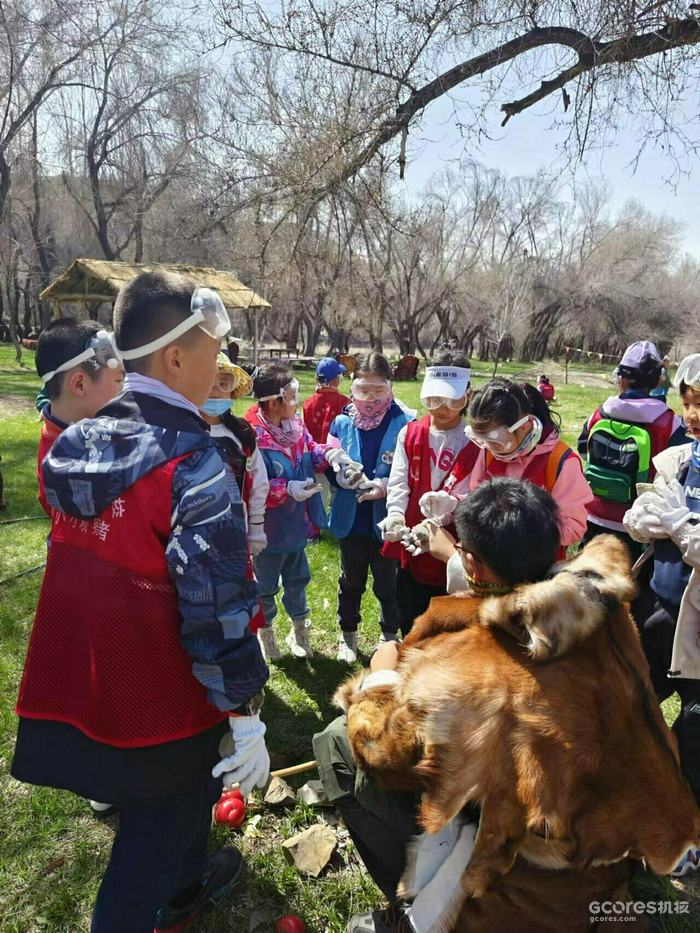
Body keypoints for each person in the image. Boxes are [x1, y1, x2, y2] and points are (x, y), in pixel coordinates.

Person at [316, 481, 700, 933]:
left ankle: (418, 909)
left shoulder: (479, 662)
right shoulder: (597, 609)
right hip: (606, 846)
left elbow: (385, 752)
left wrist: (379, 680)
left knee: (337, 744)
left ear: (472, 562)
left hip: (521, 888)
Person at [12, 272, 270, 933]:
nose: (221, 364)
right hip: (166, 701)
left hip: (93, 680)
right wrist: (245, 712)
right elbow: (216, 608)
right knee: (149, 841)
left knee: (174, 814)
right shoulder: (197, 465)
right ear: (177, 357)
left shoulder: (77, 442)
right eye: (215, 349)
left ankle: (184, 888)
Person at [624, 352, 700, 876]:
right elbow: (638, 520)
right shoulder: (677, 458)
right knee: (631, 716)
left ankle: (686, 838)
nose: (693, 414)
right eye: (688, 402)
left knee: (694, 736)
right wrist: (644, 521)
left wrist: (682, 528)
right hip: (658, 614)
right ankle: (632, 821)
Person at [245, 362, 358, 660]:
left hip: (298, 524)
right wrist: (287, 489)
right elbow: (253, 485)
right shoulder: (253, 437)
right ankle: (266, 633)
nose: (297, 402)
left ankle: (299, 630)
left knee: (298, 580)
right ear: (274, 402)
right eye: (291, 396)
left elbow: (311, 449)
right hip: (267, 531)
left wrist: (331, 454)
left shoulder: (295, 427)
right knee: (265, 587)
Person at [379, 350, 478, 635]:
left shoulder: (475, 441)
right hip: (413, 541)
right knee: (410, 611)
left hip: (455, 543)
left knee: (452, 619)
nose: (442, 408)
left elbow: (476, 492)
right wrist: (395, 514)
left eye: (452, 400)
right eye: (434, 399)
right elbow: (399, 482)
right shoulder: (410, 433)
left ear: (468, 396)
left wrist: (451, 507)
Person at [326, 352, 409, 662]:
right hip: (351, 519)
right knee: (351, 581)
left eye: (378, 390)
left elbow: (407, 470)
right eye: (363, 390)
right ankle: (347, 633)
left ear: (390, 387)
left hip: (386, 519)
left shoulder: (403, 422)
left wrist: (383, 485)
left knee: (389, 583)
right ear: (352, 387)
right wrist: (339, 475)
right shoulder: (342, 422)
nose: (371, 398)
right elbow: (328, 460)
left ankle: (389, 635)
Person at [579, 340, 686, 551]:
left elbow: (584, 450)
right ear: (657, 381)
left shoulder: (598, 415)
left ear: (620, 378)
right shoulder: (671, 424)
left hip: (594, 516)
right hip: (639, 524)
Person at [466, 378, 591, 555]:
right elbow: (475, 496)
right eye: (482, 439)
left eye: (495, 440)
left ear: (525, 427)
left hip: (539, 565)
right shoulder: (489, 450)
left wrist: (518, 533)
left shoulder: (561, 461)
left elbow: (573, 527)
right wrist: (455, 503)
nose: (489, 447)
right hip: (492, 559)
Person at [34, 318, 125, 515]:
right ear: (79, 385)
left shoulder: (55, 439)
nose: (125, 390)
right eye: (119, 380)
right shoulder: (65, 462)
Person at [302, 356, 350, 445]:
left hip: (313, 451)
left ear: (316, 379)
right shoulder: (345, 403)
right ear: (336, 381)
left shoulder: (307, 403)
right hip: (337, 452)